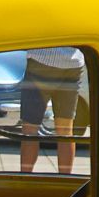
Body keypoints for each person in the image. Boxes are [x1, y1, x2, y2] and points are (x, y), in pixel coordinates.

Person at [18, 46, 84, 174]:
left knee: (30, 130)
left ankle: (25, 179)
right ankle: (65, 181)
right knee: (65, 131)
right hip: (74, 63)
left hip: (42, 59)